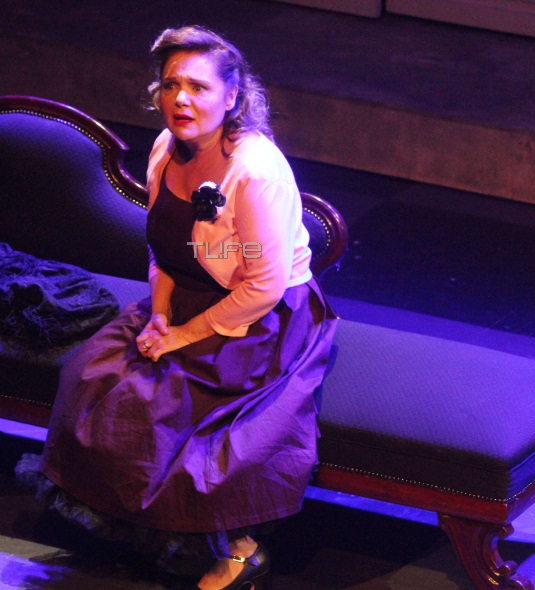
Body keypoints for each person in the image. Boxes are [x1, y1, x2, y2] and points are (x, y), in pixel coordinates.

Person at [19, 25, 338, 590]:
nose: (180, 99)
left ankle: (238, 549)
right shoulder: (167, 148)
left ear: (232, 96)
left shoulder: (254, 170)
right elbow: (163, 247)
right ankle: (140, 529)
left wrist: (184, 336)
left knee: (171, 404)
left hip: (261, 318)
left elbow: (263, 285)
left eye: (197, 87)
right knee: (91, 373)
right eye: (170, 85)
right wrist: (160, 315)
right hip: (185, 298)